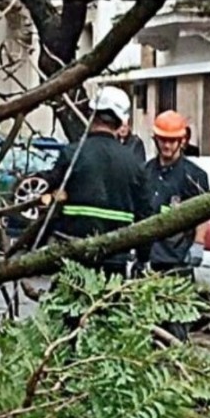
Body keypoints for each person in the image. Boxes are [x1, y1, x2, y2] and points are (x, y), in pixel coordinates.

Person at [41, 85, 153, 281]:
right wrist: (143, 258)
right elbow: (145, 217)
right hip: (115, 260)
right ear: (121, 122)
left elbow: (50, 203)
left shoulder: (72, 154)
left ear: (92, 115)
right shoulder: (134, 164)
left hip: (73, 255)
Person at [144, 110, 210, 339]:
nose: (167, 146)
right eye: (163, 140)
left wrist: (199, 243)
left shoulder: (194, 176)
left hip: (177, 260)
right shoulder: (146, 172)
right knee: (146, 321)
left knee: (175, 321)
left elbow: (204, 212)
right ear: (155, 140)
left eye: (172, 141)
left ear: (182, 141)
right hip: (148, 261)